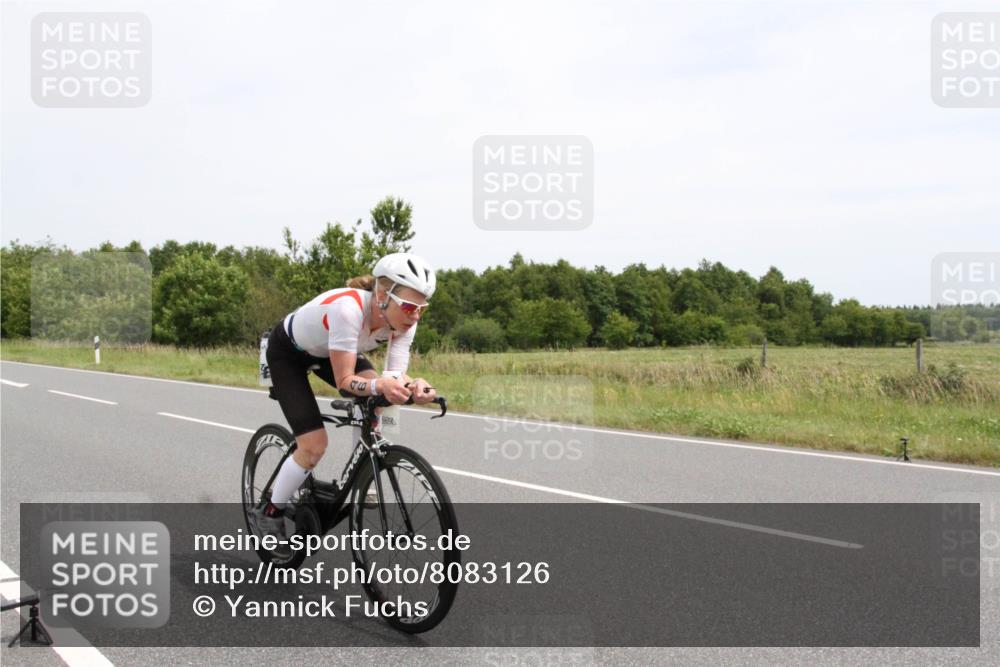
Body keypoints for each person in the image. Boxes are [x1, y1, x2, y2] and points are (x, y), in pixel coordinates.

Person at [254, 252, 437, 556]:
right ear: (382, 295)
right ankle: (271, 510)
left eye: (422, 308)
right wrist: (380, 384)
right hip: (289, 353)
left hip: (333, 349)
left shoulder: (406, 322)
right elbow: (345, 381)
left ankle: (363, 472)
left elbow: (393, 376)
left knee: (378, 398)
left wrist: (415, 385)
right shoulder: (348, 310)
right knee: (313, 445)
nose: (415, 316)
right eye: (408, 306)